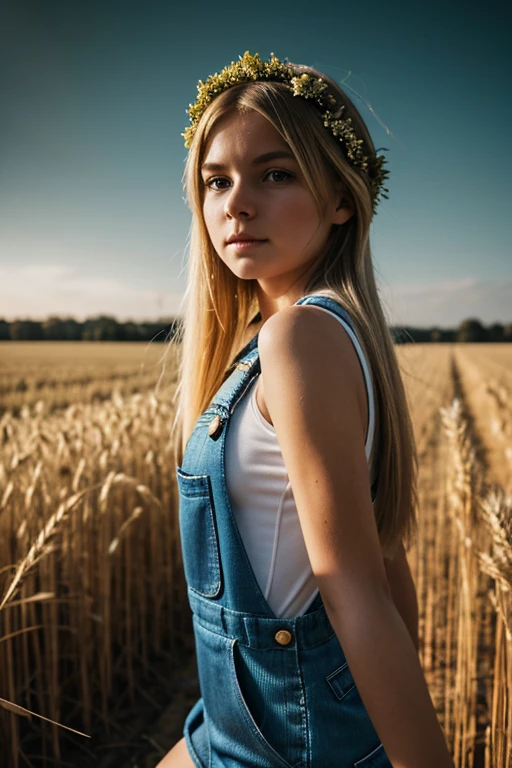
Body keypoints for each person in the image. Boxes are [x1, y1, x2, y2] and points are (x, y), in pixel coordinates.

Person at [157, 51, 454, 768]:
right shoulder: (289, 336)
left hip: (289, 736)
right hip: (237, 717)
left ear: (342, 197)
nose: (237, 203)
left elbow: (356, 591)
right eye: (216, 180)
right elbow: (387, 562)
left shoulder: (301, 337)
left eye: (276, 173)